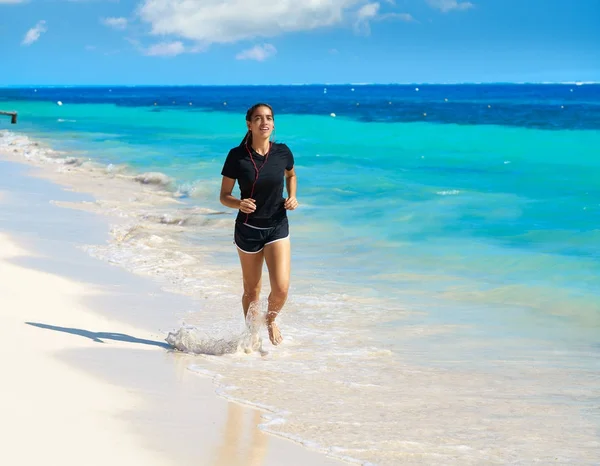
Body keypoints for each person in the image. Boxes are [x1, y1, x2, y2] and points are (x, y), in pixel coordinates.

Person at [219, 103, 298, 346]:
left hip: (277, 226)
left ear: (273, 124)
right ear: (249, 124)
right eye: (258, 118)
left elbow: (291, 174)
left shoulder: (282, 152)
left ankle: (271, 319)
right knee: (252, 291)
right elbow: (224, 196)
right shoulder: (236, 156)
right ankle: (251, 334)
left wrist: (293, 196)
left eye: (269, 118)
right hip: (248, 229)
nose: (264, 122)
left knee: (281, 289)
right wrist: (239, 204)